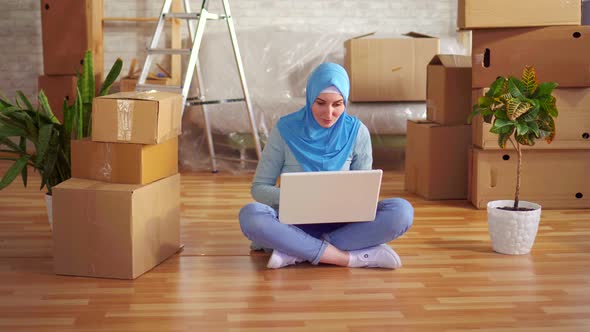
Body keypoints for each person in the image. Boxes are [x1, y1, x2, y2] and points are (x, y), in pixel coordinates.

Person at [238, 62, 414, 269]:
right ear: (310, 97)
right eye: (320, 103)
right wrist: (300, 197)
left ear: (345, 102)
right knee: (251, 215)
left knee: (402, 211)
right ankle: (348, 257)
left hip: (344, 224)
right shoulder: (285, 129)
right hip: (293, 224)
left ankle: (297, 250)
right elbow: (259, 188)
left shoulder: (357, 132)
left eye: (337, 104)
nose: (328, 113)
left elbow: (364, 192)